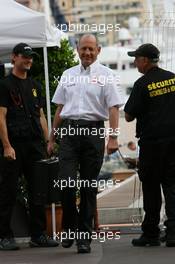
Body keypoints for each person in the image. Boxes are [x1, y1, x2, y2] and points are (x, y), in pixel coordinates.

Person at [48, 34, 124, 253]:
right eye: (83, 49)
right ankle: (69, 228)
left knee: (89, 188)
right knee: (66, 183)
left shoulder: (107, 75)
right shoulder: (68, 74)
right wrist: (52, 138)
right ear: (77, 50)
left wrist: (114, 137)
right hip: (70, 133)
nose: (87, 53)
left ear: (98, 50)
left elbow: (113, 108)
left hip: (93, 132)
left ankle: (83, 238)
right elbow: (60, 109)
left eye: (91, 49)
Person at [0, 43, 58, 250]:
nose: (29, 60)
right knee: (8, 191)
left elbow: (41, 116)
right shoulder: (5, 85)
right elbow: (1, 116)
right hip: (14, 146)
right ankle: (4, 236)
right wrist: (6, 146)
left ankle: (38, 235)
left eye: (31, 57)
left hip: (35, 146)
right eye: (25, 56)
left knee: (38, 192)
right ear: (14, 58)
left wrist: (48, 141)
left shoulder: (35, 86)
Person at [124, 43, 175, 247]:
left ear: (145, 60)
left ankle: (151, 233)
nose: (135, 62)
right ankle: (173, 234)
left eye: (136, 58)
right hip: (174, 144)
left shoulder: (142, 84)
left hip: (152, 145)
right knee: (172, 187)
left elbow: (127, 116)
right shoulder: (173, 78)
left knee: (151, 188)